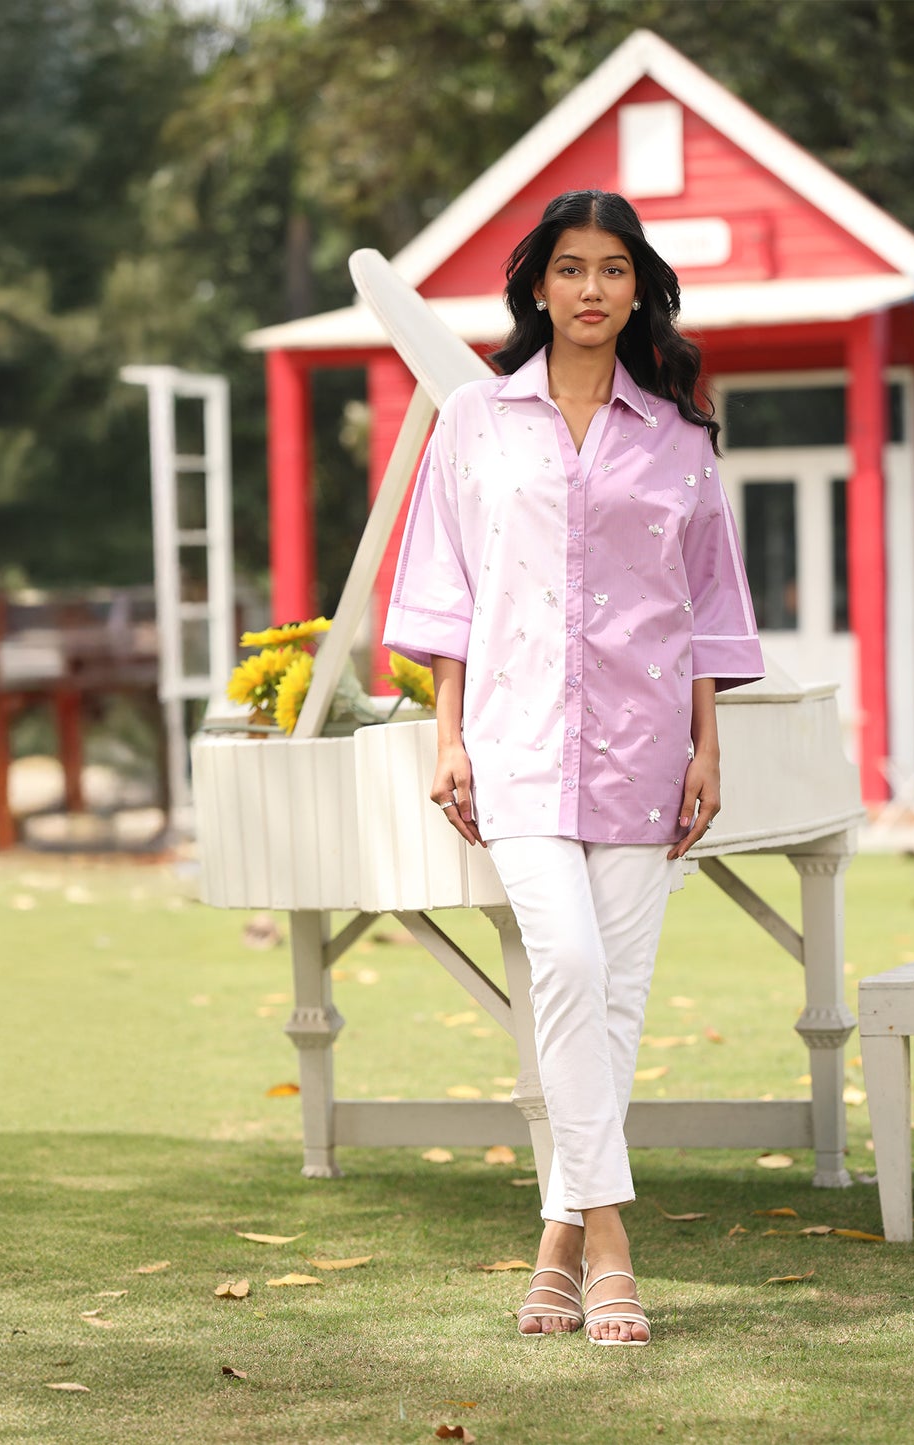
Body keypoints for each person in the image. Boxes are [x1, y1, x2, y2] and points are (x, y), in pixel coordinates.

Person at [383, 189, 763, 1345]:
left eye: (611, 269)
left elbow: (701, 607)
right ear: (535, 286)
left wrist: (707, 744)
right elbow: (445, 591)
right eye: (568, 268)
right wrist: (447, 735)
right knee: (569, 965)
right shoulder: (472, 423)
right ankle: (611, 1244)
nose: (590, 289)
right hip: (513, 741)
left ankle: (553, 1239)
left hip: (646, 750)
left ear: (637, 287)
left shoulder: (680, 438)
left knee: (613, 998)